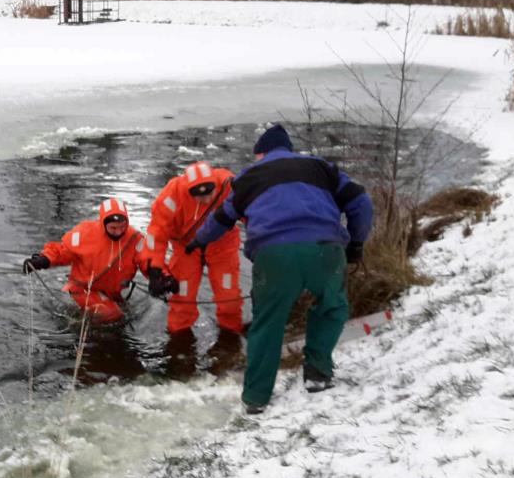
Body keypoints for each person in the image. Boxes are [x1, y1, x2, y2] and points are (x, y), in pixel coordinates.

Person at [189, 123, 374, 414]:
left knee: (268, 323)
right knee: (332, 307)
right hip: (325, 249)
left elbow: (221, 219)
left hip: (274, 255)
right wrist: (356, 243)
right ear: (288, 149)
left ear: (260, 154)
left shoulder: (249, 177)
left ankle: (256, 398)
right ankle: (317, 373)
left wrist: (197, 242)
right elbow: (361, 202)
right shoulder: (321, 167)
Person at [145, 161, 243, 336]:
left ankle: (231, 338)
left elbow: (253, 213)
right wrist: (155, 270)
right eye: (199, 196)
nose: (206, 200)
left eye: (209, 194)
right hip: (186, 248)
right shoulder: (172, 197)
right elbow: (156, 233)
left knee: (230, 300)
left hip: (222, 245)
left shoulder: (230, 186)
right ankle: (178, 341)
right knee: (182, 300)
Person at [23, 198, 149, 324]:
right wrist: (43, 260)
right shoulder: (85, 234)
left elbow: (148, 260)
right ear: (103, 223)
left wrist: (158, 276)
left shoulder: (135, 239)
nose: (119, 232)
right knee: (112, 314)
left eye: (123, 227)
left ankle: (91, 320)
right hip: (83, 289)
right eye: (113, 228)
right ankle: (86, 325)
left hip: (114, 292)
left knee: (117, 315)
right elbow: (63, 251)